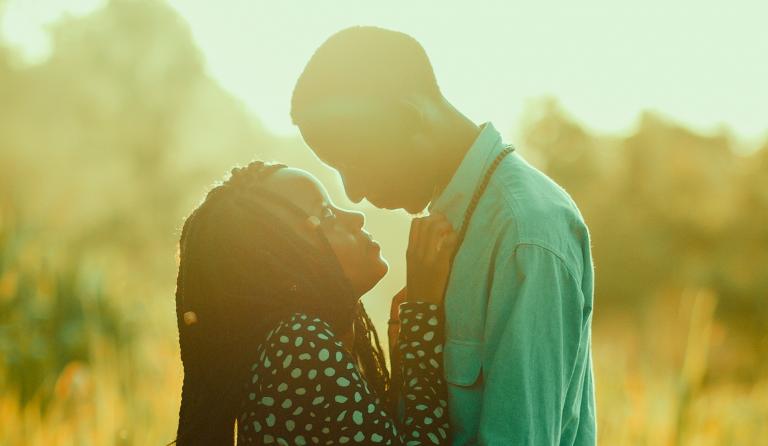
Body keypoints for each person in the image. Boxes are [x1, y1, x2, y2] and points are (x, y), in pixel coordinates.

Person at [291, 26, 597, 445]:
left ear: (410, 119)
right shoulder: (444, 228)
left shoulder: (525, 231)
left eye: (356, 161)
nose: (354, 192)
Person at [172, 160, 456, 445]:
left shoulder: (294, 342)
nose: (356, 217)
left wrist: (403, 358)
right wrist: (422, 319)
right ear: (283, 262)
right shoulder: (299, 343)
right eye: (326, 215)